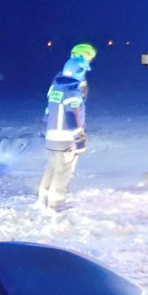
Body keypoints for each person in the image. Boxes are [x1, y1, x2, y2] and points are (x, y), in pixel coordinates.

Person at [36, 67, 87, 212]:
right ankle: (56, 205)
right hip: (64, 140)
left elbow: (47, 115)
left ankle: (43, 200)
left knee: (50, 170)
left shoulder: (55, 90)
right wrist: (79, 140)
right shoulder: (72, 93)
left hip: (51, 139)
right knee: (62, 174)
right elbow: (72, 116)